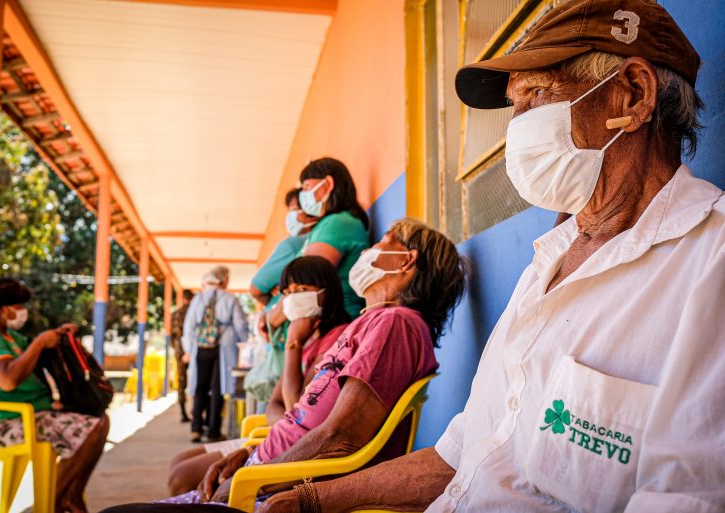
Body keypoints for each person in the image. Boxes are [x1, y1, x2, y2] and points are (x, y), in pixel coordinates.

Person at [259, 1, 725, 512]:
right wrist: (310, 500)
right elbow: (463, 455)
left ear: (633, 94)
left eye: (538, 95)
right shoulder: (549, 260)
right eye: (515, 106)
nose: (517, 128)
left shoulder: (709, 264)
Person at [100, 218, 466, 512]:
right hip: (265, 474)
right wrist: (247, 455)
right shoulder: (371, 323)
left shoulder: (395, 324)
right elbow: (299, 415)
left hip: (276, 492)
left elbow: (341, 438)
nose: (370, 250)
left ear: (406, 260)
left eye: (385, 241)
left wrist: (255, 475)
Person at [166, 256, 350, 495]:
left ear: (325, 293)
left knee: (181, 477)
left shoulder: (336, 339)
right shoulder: (308, 338)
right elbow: (277, 405)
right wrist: (288, 419)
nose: (292, 298)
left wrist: (292, 345)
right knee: (178, 461)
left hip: (290, 451)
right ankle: (200, 428)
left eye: (302, 290)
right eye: (288, 292)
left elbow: (299, 412)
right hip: (279, 437)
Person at [0, 278, 109, 513]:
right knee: (93, 426)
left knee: (99, 419)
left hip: (29, 417)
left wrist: (56, 337)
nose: (23, 311)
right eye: (18, 306)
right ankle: (54, 502)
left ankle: (70, 494)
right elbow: (7, 381)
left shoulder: (11, 339)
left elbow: (32, 357)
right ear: (1, 308)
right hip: (1, 424)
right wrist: (39, 343)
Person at [296, 157, 370, 318]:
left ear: (328, 184)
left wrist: (272, 319)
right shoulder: (326, 224)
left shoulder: (338, 222)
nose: (303, 194)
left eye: (307, 186)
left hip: (338, 321)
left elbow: (307, 280)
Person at [183, 266, 249, 443]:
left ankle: (196, 429)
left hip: (201, 347)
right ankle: (213, 432)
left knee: (200, 387)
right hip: (223, 348)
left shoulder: (198, 299)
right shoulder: (230, 299)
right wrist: (245, 342)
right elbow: (241, 325)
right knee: (218, 388)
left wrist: (188, 349)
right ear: (224, 280)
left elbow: (188, 326)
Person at [249, 188, 316, 310]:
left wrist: (274, 294)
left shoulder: (292, 245)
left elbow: (255, 289)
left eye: (294, 210)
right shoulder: (318, 238)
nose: (290, 216)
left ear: (311, 213)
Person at [171, 289, 194, 423]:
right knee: (197, 380)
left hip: (179, 349)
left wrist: (176, 348)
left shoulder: (175, 314)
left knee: (181, 381)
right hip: (193, 349)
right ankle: (196, 412)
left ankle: (183, 412)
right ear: (191, 297)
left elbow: (171, 336)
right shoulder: (194, 312)